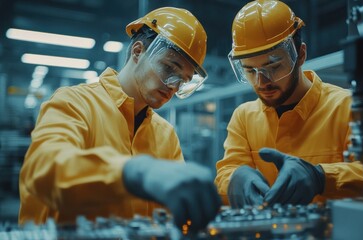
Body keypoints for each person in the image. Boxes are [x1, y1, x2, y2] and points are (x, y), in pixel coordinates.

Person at [19, 7, 220, 231]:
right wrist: (135, 172)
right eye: (168, 68)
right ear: (137, 51)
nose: (173, 85)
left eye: (183, 80)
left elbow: (172, 215)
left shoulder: (165, 134)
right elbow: (42, 171)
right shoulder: (74, 103)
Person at [215, 0, 363, 208]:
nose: (262, 81)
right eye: (250, 71)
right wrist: (235, 179)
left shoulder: (346, 107)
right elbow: (226, 172)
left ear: (301, 54)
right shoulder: (243, 117)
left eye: (273, 66)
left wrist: (321, 177)